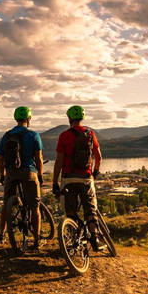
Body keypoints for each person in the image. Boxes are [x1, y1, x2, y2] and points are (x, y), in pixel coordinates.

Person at [52, 105, 102, 250]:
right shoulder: (90, 134)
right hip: (86, 177)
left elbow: (59, 161)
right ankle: (95, 239)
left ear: (69, 118)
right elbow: (98, 157)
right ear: (82, 118)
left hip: (68, 178)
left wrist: (55, 182)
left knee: (70, 211)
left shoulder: (64, 136)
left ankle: (73, 240)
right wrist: (95, 172)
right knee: (90, 209)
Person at [0, 106, 44, 250]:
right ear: (28, 119)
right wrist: (40, 175)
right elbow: (39, 158)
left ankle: (1, 234)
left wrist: (2, 174)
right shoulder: (33, 135)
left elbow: (1, 159)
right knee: (34, 206)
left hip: (11, 173)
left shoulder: (7, 135)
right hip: (28, 172)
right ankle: (37, 240)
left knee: (6, 204)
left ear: (16, 119)